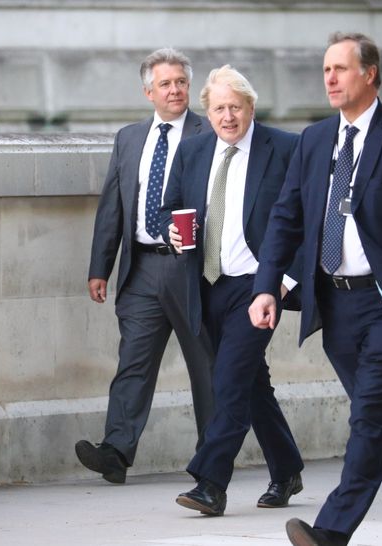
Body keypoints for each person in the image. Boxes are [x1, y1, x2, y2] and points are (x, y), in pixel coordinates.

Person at [249, 32, 382, 546]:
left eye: (340, 69)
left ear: (369, 74)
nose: (330, 78)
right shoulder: (315, 140)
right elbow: (285, 217)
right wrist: (266, 288)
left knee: (367, 418)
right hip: (333, 305)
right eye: (326, 69)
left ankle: (331, 530)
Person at [160, 65, 304, 516]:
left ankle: (211, 482)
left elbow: (308, 220)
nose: (228, 116)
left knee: (228, 381)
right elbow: (169, 209)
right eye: (219, 108)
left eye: (235, 107)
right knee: (249, 383)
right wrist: (173, 233)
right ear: (208, 111)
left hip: (259, 287)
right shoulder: (192, 150)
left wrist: (281, 284)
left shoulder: (284, 148)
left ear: (251, 108)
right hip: (205, 285)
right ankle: (286, 470)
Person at [76, 48, 215, 484]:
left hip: (190, 270)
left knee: (205, 366)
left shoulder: (209, 132)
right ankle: (116, 451)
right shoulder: (129, 138)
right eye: (166, 83)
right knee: (133, 362)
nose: (175, 90)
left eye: (181, 82)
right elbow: (112, 207)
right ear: (148, 91)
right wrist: (100, 267)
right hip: (140, 270)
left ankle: (212, 457)